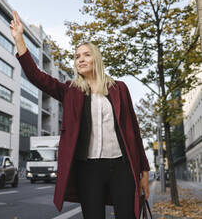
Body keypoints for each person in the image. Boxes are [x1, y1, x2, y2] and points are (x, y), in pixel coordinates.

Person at [9, 11, 150, 219]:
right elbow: (36, 76)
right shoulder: (70, 91)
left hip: (122, 166)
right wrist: (19, 39)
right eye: (76, 56)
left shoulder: (119, 88)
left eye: (86, 54)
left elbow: (134, 131)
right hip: (88, 169)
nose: (80, 59)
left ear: (97, 59)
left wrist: (144, 170)